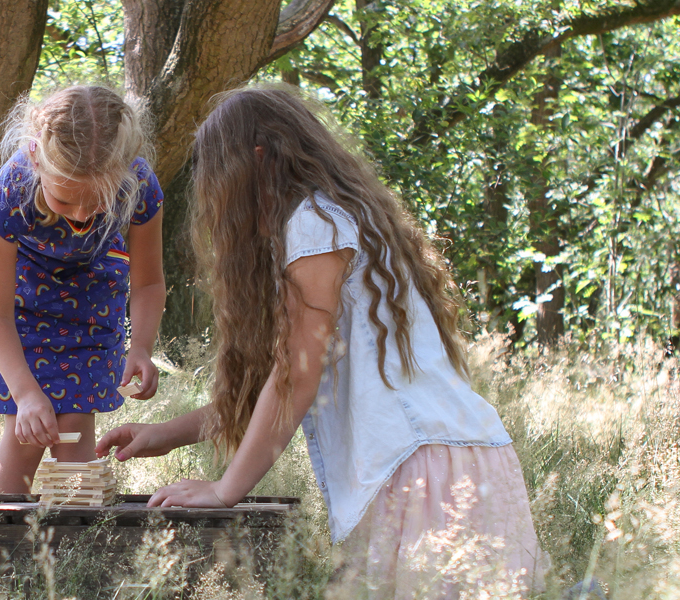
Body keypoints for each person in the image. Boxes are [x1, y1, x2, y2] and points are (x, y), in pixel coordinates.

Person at [94, 86, 549, 597]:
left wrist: (226, 490)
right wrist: (167, 433)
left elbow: (296, 377)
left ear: (260, 160)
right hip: (452, 459)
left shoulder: (314, 226)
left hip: (425, 475)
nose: (219, 198)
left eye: (223, 178)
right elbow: (279, 384)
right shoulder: (343, 217)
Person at [0, 85, 166, 494]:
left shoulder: (139, 185)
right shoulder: (10, 190)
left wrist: (140, 346)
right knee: (25, 432)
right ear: (36, 159)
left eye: (96, 203)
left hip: (89, 300)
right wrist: (25, 393)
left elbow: (148, 282)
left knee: (74, 432)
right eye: (65, 201)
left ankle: (71, 549)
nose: (82, 215)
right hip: (16, 306)